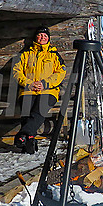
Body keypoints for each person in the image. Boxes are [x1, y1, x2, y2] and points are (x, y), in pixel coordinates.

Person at [12, 26, 66, 154]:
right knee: (26, 111)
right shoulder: (25, 53)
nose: (42, 38)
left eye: (45, 36)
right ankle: (29, 143)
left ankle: (22, 135)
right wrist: (29, 84)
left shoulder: (53, 54)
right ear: (36, 37)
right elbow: (16, 71)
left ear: (48, 39)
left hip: (48, 91)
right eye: (40, 35)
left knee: (39, 110)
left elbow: (61, 72)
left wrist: (45, 84)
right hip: (28, 90)